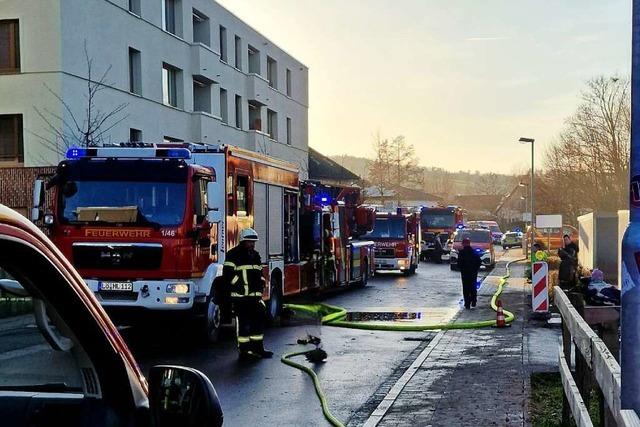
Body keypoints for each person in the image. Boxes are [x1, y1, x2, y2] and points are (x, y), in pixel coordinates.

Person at [223, 227, 273, 360]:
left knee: (258, 324)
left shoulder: (255, 256)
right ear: (242, 241)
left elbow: (259, 274)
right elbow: (227, 275)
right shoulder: (233, 255)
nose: (252, 244)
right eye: (249, 241)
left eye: (253, 242)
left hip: (255, 297)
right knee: (244, 325)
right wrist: (238, 285)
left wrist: (262, 283)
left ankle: (258, 348)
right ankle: (244, 351)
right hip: (240, 298)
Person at [457, 237, 482, 309]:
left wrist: (462, 268)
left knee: (466, 289)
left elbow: (459, 264)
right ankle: (474, 301)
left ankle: (467, 304)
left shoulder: (461, 253)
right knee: (473, 287)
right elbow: (479, 262)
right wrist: (475, 269)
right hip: (473, 273)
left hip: (465, 274)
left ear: (463, 244)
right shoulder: (474, 252)